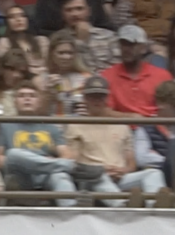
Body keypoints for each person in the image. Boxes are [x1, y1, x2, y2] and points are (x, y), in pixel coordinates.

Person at [0, 81, 115, 206]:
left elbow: (67, 155)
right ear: (14, 101)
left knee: (60, 176)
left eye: (32, 96)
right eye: (22, 96)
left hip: (47, 174)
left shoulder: (50, 126)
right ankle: (77, 169)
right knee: (14, 154)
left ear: (39, 101)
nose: (27, 99)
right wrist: (33, 161)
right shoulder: (4, 125)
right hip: (20, 175)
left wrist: (47, 164)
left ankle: (71, 209)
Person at [67, 75, 167, 205]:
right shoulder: (75, 125)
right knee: (98, 178)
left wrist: (124, 170)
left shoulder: (121, 125)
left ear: (107, 98)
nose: (97, 101)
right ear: (85, 98)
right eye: (92, 96)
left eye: (101, 96)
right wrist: (100, 170)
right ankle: (123, 207)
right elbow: (73, 161)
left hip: (120, 177)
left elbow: (131, 163)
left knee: (153, 173)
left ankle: (156, 206)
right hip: (91, 179)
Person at [99, 24, 172, 117]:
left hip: (155, 127)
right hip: (121, 128)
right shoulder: (107, 76)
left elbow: (171, 109)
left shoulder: (162, 76)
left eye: (131, 44)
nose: (126, 49)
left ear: (144, 48)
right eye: (123, 44)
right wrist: (131, 117)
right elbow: (104, 111)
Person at [61, 0, 118, 72]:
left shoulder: (109, 36)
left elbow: (118, 67)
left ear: (89, 11)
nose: (74, 14)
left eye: (79, 9)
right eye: (69, 10)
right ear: (62, 14)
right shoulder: (59, 39)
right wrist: (81, 42)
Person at [0, 5, 48, 74]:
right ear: (7, 22)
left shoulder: (41, 41)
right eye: (12, 17)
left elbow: (49, 64)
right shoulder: (5, 42)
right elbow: (7, 67)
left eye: (22, 16)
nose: (18, 19)